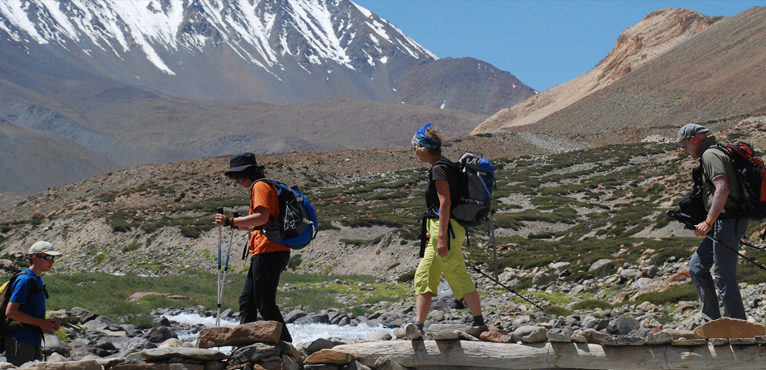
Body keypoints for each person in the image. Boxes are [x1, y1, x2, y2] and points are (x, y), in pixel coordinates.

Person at [410, 123, 485, 333]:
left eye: (416, 148)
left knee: (456, 272)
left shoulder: (439, 168)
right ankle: (418, 325)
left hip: (445, 230)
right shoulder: (446, 165)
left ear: (424, 149)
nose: (415, 153)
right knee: (424, 275)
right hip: (441, 229)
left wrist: (441, 236)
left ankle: (479, 323)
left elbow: (445, 203)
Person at [214, 153, 292, 342]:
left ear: (246, 172)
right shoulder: (264, 186)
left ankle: (286, 344)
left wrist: (230, 220)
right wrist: (232, 224)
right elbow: (255, 224)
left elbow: (262, 218)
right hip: (265, 251)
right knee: (247, 301)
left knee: (264, 303)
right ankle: (244, 344)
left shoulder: (260, 186)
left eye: (238, 177)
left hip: (269, 251)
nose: (238, 181)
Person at [678, 123, 749, 321]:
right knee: (697, 267)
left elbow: (722, 189)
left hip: (728, 221)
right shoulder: (712, 152)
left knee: (724, 277)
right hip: (724, 221)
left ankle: (739, 328)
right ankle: (713, 323)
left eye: (684, 146)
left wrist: (708, 222)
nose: (684, 151)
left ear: (694, 139)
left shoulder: (710, 155)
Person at [4, 241, 62, 366]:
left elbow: (29, 312)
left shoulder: (38, 280)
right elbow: (11, 312)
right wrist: (41, 322)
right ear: (34, 258)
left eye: (53, 258)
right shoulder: (24, 280)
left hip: (33, 340)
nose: (52, 261)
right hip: (20, 340)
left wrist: (47, 323)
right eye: (48, 257)